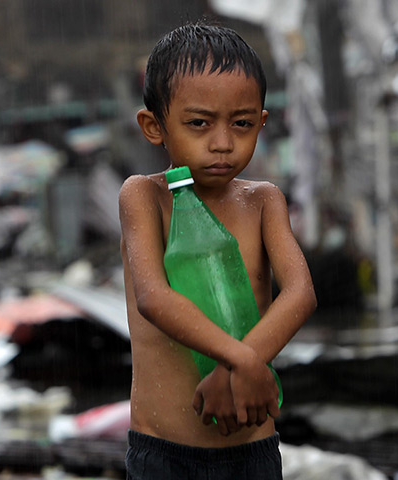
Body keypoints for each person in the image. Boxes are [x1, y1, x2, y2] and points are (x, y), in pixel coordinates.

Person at [119, 21, 317, 480]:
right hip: (164, 454)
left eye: (242, 123)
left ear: (262, 122)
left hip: (252, 451)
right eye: (199, 123)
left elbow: (300, 293)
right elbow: (155, 298)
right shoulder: (144, 197)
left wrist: (237, 368)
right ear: (154, 125)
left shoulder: (264, 200)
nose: (223, 142)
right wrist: (245, 361)